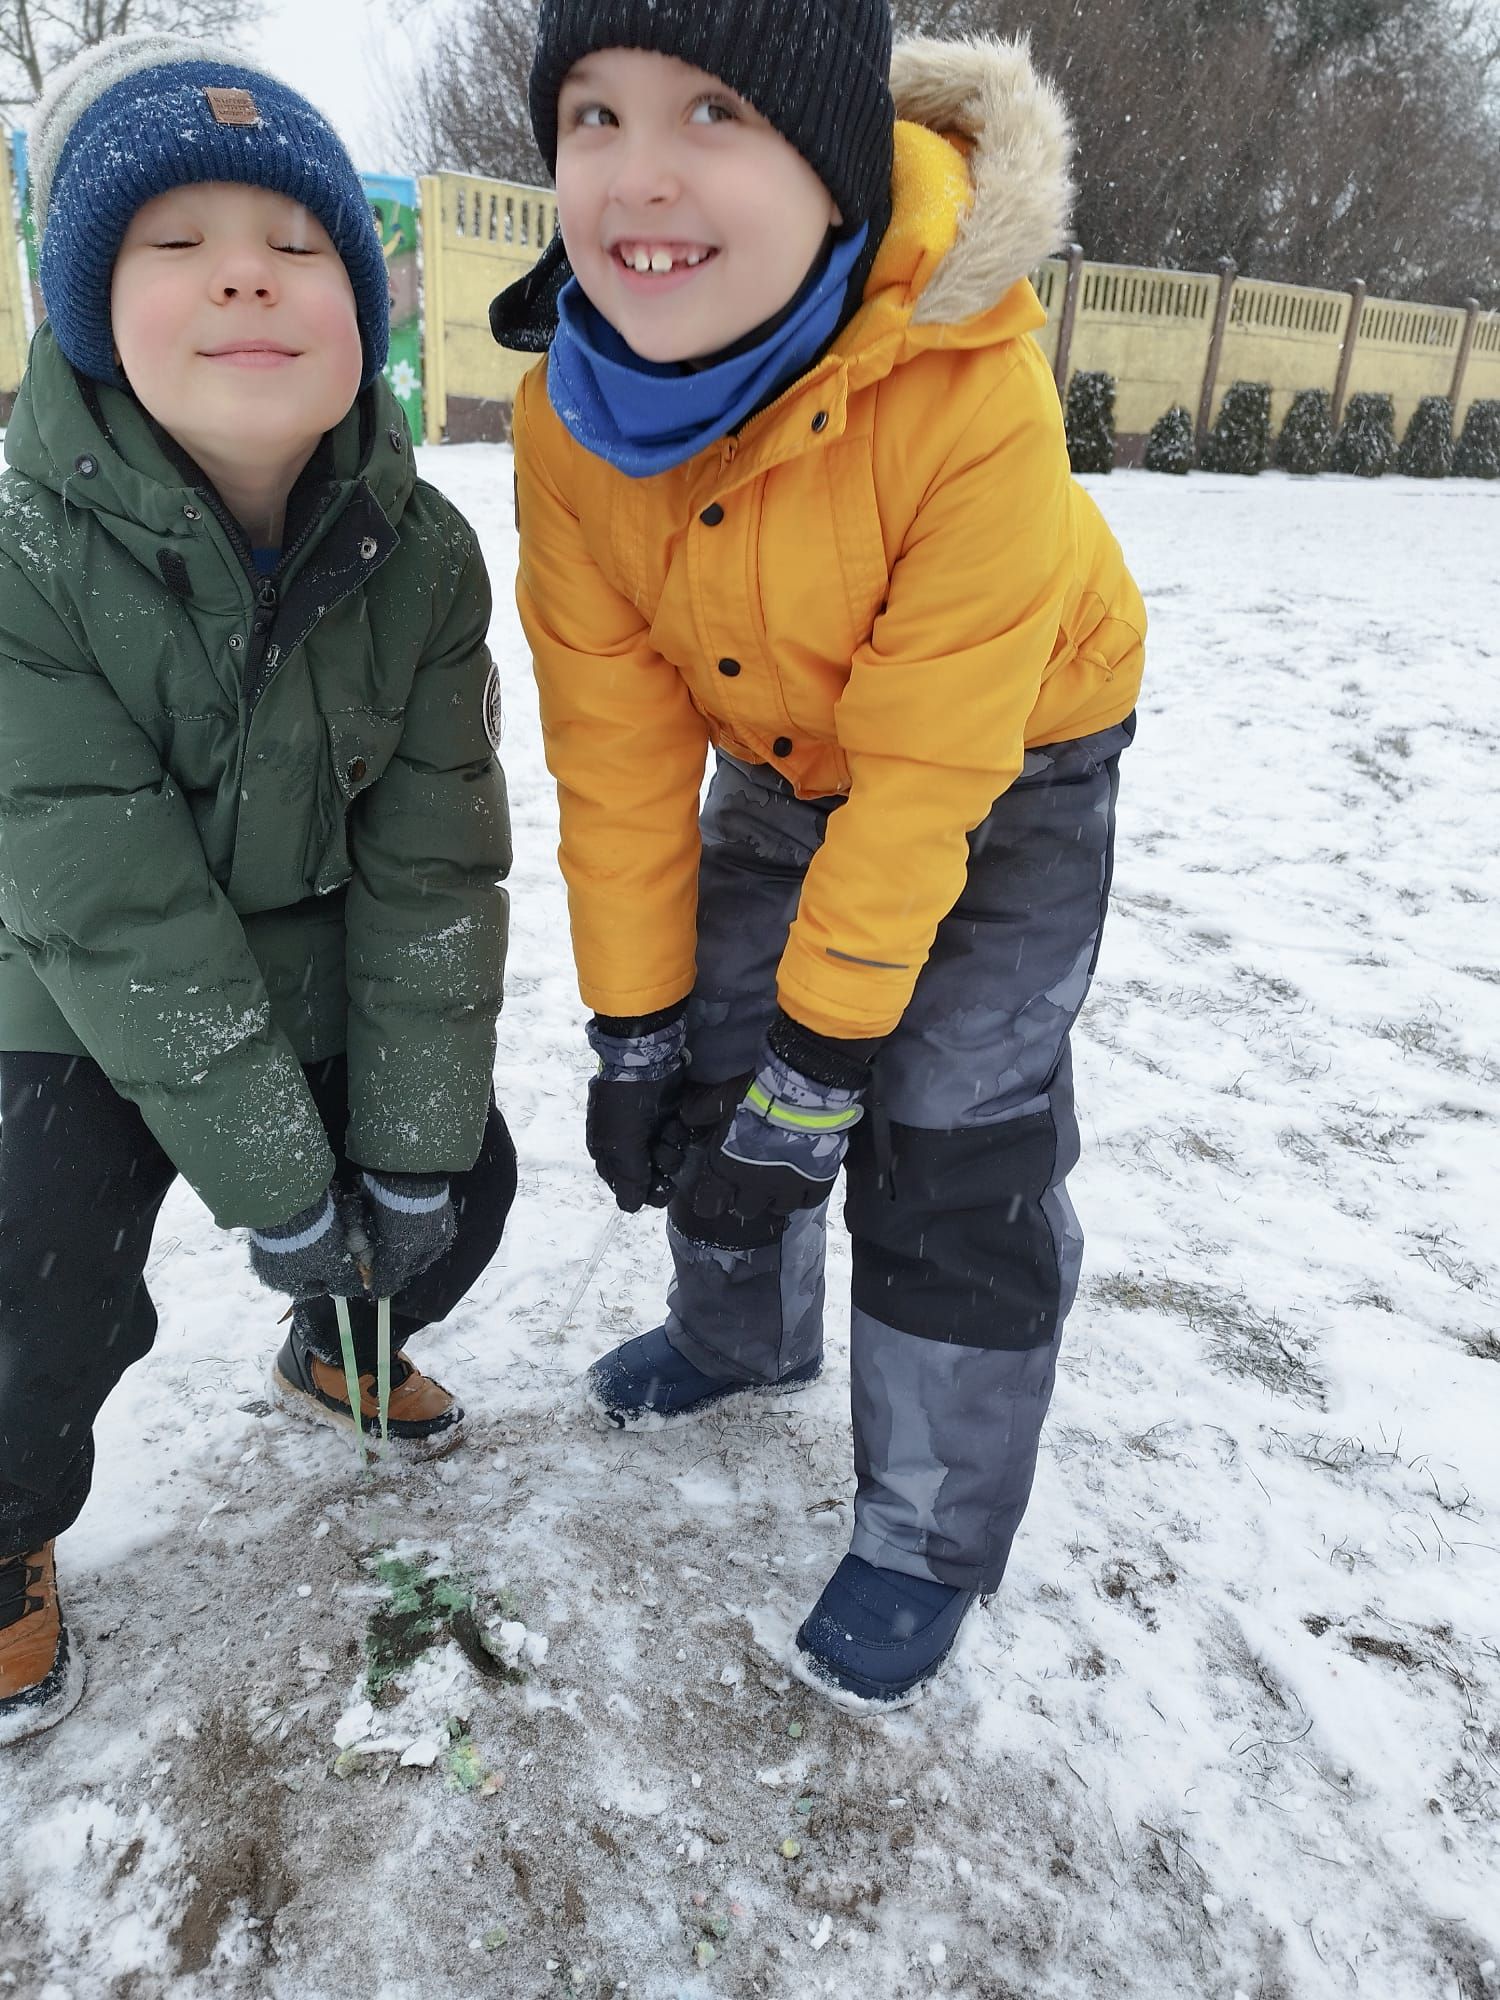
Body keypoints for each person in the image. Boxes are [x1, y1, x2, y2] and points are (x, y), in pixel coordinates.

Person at [495, 1, 1146, 1707]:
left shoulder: (971, 385)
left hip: (1012, 763)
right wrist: (636, 1031)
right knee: (720, 1038)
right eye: (593, 114)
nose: (640, 174)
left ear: (835, 163)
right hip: (788, 755)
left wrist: (823, 1077)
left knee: (947, 1130)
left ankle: (928, 1528)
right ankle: (741, 1336)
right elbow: (618, 754)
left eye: (714, 112)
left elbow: (930, 781)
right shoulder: (566, 420)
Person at [0, 35, 514, 1744]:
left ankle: (338, 1346)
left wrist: (404, 1154)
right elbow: (113, 907)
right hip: (68, 990)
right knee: (31, 1268)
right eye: (176, 243)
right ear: (87, 308)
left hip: (302, 957)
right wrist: (281, 1184)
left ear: (362, 310)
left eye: (298, 244)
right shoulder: (19, 553)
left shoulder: (425, 557)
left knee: (458, 1179)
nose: (245, 273)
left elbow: (433, 868)